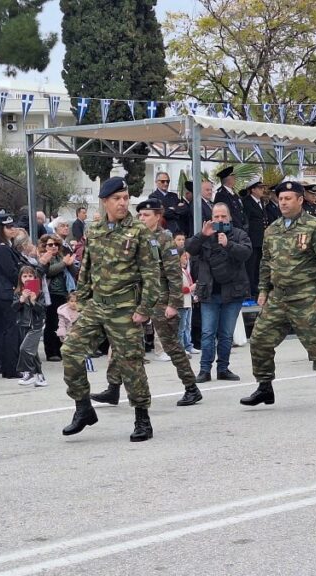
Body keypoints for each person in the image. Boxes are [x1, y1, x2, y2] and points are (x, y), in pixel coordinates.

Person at [60, 176, 160, 441]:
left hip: (125, 308)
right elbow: (87, 268)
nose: (122, 203)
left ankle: (142, 419)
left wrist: (144, 309)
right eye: (117, 198)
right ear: (105, 201)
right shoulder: (94, 231)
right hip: (97, 306)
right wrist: (80, 300)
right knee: (70, 352)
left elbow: (152, 274)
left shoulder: (138, 231)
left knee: (131, 365)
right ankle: (83, 409)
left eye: (125, 198)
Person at [242, 181, 316, 415]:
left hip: (306, 296)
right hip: (278, 297)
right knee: (259, 340)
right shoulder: (273, 229)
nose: (284, 202)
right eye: (281, 198)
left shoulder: (315, 227)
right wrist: (263, 290)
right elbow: (266, 262)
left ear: (300, 200)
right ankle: (265, 386)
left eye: (289, 198)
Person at [93, 198, 202, 406]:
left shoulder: (165, 239)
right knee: (122, 340)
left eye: (146, 215)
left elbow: (173, 274)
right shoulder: (135, 237)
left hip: (160, 298)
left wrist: (173, 304)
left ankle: (191, 387)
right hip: (138, 298)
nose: (142, 218)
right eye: (140, 214)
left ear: (158, 217)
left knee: (171, 345)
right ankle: (113, 388)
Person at [184, 203, 252, 383]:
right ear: (211, 218)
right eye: (216, 217)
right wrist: (201, 235)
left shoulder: (239, 234)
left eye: (223, 217)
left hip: (233, 292)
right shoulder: (205, 235)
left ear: (229, 218)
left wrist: (228, 244)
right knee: (207, 333)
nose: (220, 220)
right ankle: (204, 370)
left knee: (226, 334)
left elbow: (246, 253)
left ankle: (223, 368)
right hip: (209, 292)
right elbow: (189, 248)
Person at [0, 214, 23, 378]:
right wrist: (23, 280)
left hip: (7, 292)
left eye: (13, 226)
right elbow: (11, 272)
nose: (13, 229)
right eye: (9, 227)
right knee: (11, 331)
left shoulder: (6, 246)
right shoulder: (2, 248)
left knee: (10, 330)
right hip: (7, 292)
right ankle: (9, 368)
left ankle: (9, 365)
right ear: (1, 229)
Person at [41, 234, 75, 362]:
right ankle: (51, 351)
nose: (53, 247)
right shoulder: (44, 257)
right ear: (44, 246)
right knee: (52, 323)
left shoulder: (61, 257)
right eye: (50, 244)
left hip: (64, 293)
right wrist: (64, 264)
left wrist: (70, 264)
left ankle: (61, 349)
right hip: (51, 294)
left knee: (64, 323)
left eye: (56, 244)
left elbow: (73, 272)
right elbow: (48, 271)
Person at [242, 180, 278, 297]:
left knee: (259, 264)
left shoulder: (261, 201)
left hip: (261, 239)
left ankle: (257, 287)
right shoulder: (247, 202)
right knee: (251, 265)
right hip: (252, 238)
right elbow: (246, 220)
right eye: (260, 188)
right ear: (253, 189)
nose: (262, 190)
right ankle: (251, 288)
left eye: (263, 187)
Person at [13, 265, 48, 387]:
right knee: (32, 352)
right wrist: (21, 300)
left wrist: (34, 301)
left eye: (30, 276)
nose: (27, 278)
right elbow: (14, 308)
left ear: (34, 277)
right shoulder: (18, 293)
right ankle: (41, 377)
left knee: (24, 349)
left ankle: (28, 373)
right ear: (20, 278)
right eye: (24, 276)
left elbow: (42, 310)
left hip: (36, 326)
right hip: (23, 324)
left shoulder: (39, 293)